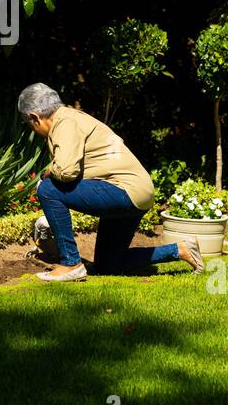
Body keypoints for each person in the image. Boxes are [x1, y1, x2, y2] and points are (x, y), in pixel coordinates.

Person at [18, 82, 204, 282]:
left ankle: (71, 264)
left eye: (30, 125)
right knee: (108, 264)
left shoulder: (64, 122)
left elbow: (66, 171)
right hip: (136, 192)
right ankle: (181, 250)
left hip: (123, 190)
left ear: (35, 118)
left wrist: (49, 171)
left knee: (48, 188)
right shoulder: (73, 118)